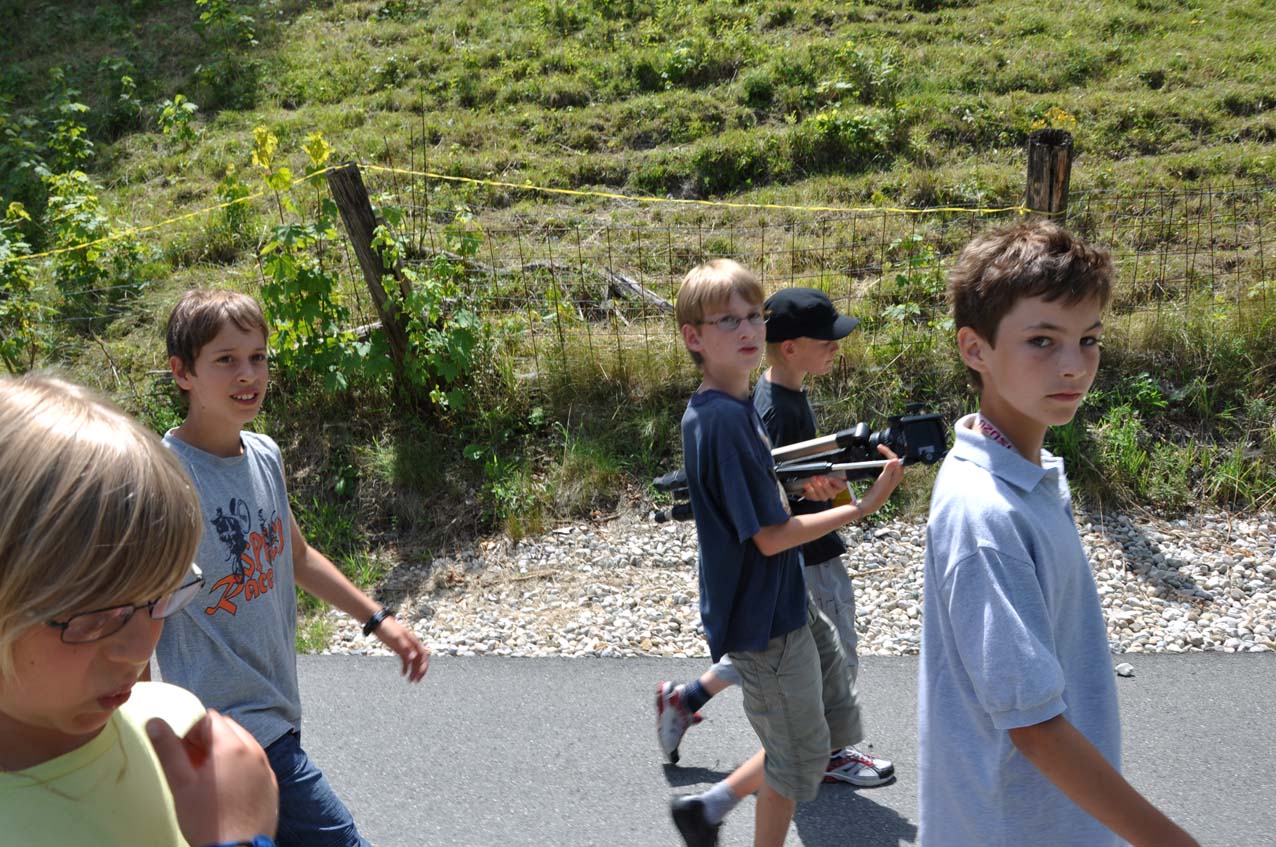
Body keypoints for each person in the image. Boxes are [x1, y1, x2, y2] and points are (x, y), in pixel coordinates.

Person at [919, 219, 1199, 847]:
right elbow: (1035, 728)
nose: (1074, 366)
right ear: (975, 349)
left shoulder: (1027, 473)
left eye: (1089, 339)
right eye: (1042, 340)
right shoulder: (986, 514)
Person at [154, 289, 431, 847]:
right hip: (226, 729)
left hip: (279, 711)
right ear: (182, 372)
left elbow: (296, 556)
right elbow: (140, 610)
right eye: (226, 359)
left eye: (257, 357)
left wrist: (377, 619)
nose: (248, 373)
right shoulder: (166, 481)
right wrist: (136, 737)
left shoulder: (264, 454)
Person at [668, 260, 903, 847]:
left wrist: (804, 489)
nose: (749, 329)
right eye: (728, 321)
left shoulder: (733, 402)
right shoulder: (724, 421)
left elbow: (759, 497)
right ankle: (711, 810)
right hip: (764, 619)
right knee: (796, 761)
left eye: (754, 316)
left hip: (785, 600)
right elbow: (770, 537)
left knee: (817, 734)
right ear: (694, 337)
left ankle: (709, 806)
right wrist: (860, 506)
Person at [0, 373, 278, 847]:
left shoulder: (176, 723)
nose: (141, 647)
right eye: (97, 616)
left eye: (161, 595)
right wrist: (240, 839)